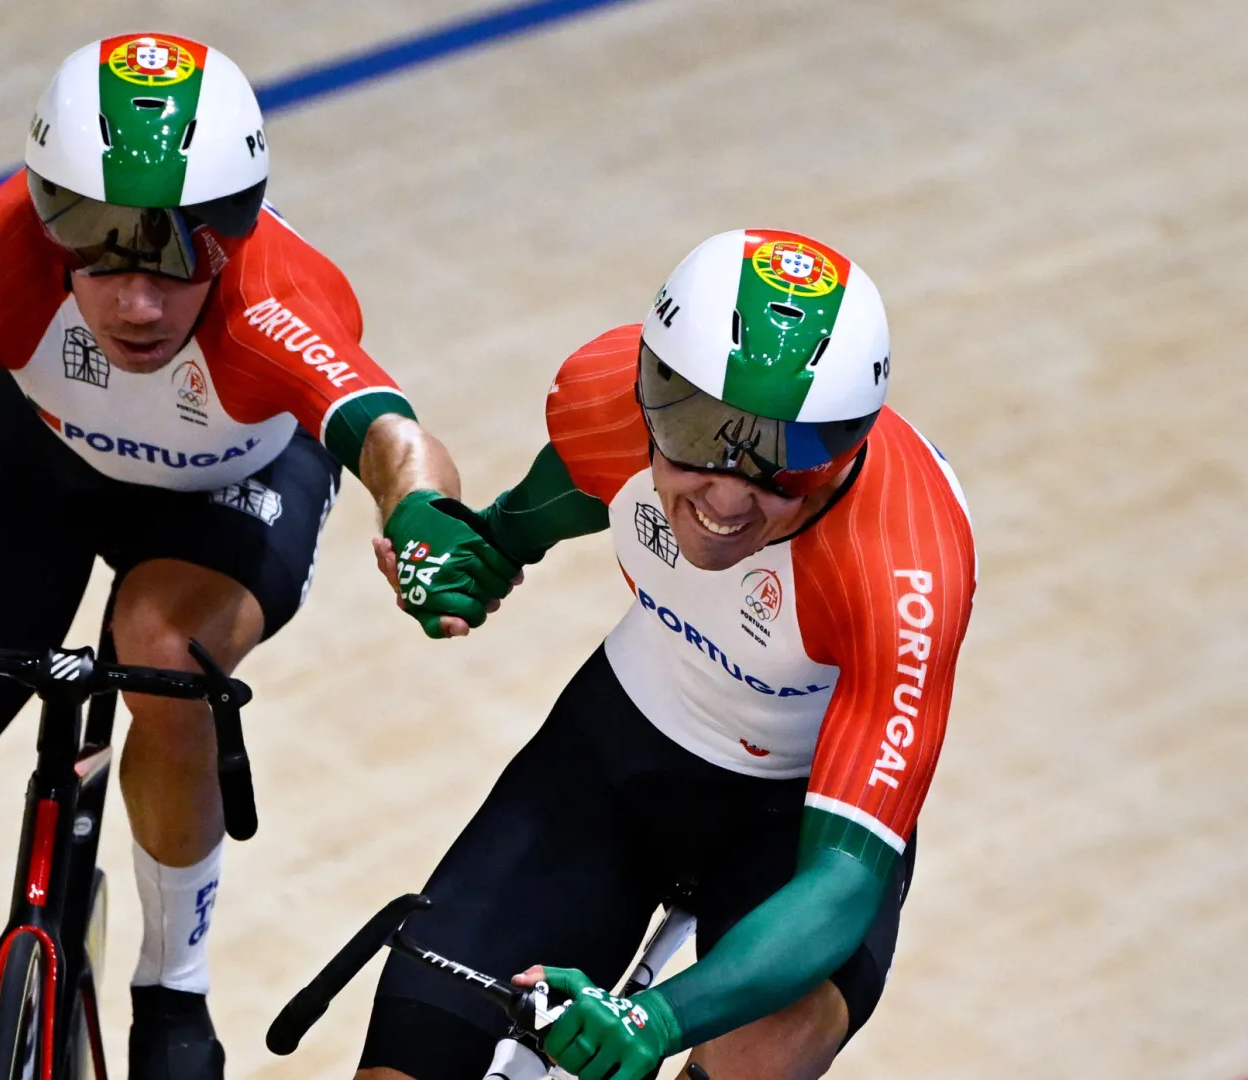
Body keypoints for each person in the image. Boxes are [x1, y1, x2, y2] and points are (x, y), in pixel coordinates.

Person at [0, 33, 517, 1080]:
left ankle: (171, 987)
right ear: (47, 217)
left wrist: (423, 519)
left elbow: (395, 443)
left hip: (227, 499)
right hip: (34, 474)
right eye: (97, 243)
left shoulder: (273, 302)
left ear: (234, 231)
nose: (137, 302)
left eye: (176, 253)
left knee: (162, 651)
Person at [359, 229, 977, 1080]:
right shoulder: (606, 398)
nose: (728, 493)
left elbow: (839, 883)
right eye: (698, 433)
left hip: (795, 822)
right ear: (651, 393)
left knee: (765, 1048)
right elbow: (547, 506)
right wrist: (480, 552)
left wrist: (656, 1020)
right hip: (624, 748)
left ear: (843, 450)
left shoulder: (904, 570)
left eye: (781, 461)